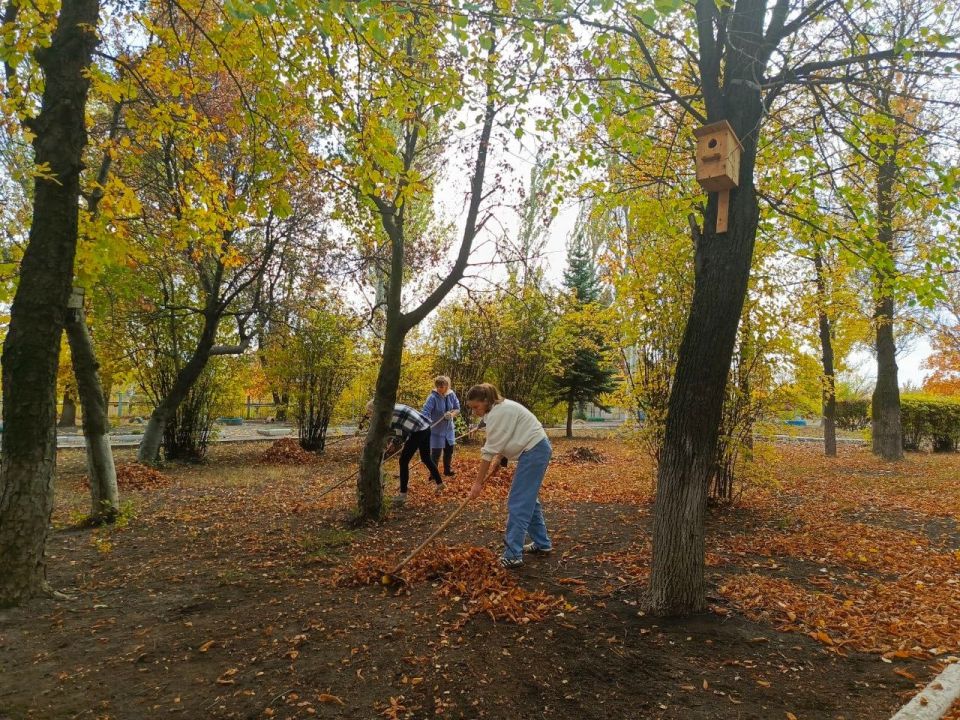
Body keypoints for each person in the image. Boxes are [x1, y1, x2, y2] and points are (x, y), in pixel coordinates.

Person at [465, 383, 552, 569]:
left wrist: (477, 484)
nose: (474, 412)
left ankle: (513, 555)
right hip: (534, 450)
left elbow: (487, 453)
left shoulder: (500, 413)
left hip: (535, 450)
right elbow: (506, 438)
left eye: (476, 407)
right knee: (528, 499)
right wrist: (500, 457)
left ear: (486, 401)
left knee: (518, 502)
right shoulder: (496, 410)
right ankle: (542, 543)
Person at [366, 400, 444, 504]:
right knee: (426, 458)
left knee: (403, 461)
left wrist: (395, 443)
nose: (371, 415)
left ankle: (402, 495)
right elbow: (401, 426)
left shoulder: (388, 414)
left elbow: (400, 430)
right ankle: (440, 484)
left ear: (375, 409)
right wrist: (395, 443)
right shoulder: (391, 406)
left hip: (419, 431)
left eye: (371, 412)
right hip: (425, 428)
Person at [421, 375, 460, 477]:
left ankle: (447, 470)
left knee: (449, 451)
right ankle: (433, 474)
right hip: (436, 430)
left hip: (449, 430)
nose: (439, 388)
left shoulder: (451, 395)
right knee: (436, 453)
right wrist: (427, 424)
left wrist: (451, 415)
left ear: (447, 386)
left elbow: (457, 408)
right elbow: (425, 412)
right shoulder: (432, 397)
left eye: (441, 386)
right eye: (437, 386)